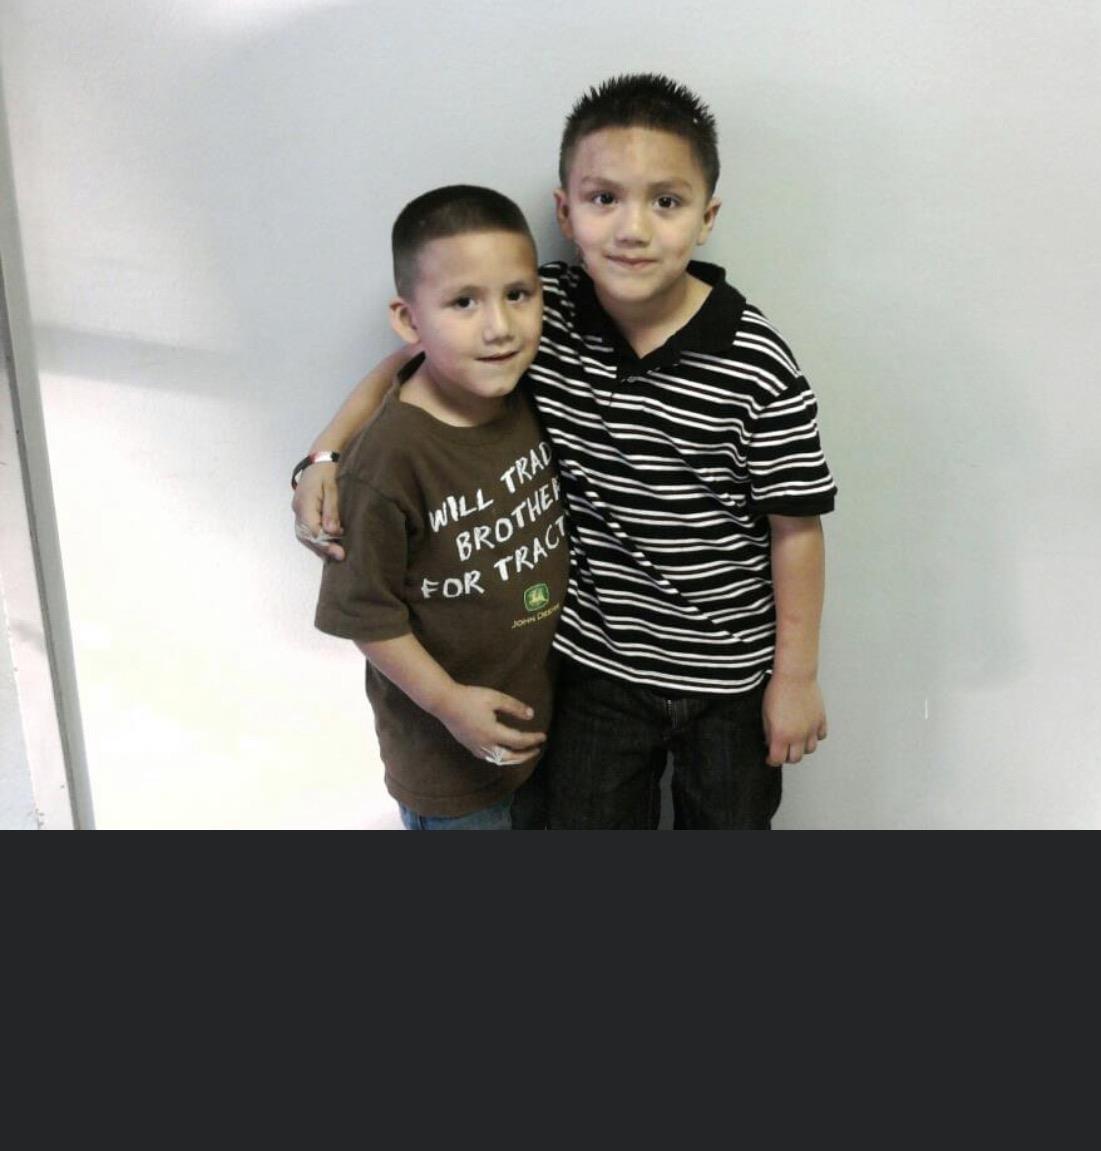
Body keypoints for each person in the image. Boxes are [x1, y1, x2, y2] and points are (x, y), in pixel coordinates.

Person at [296, 78, 835, 828]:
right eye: (604, 198)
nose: (633, 229)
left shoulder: (757, 363)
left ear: (707, 217)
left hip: (729, 676)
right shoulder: (533, 310)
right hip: (593, 670)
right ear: (565, 212)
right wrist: (324, 456)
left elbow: (796, 527)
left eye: (666, 202)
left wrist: (796, 677)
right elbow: (417, 358)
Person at [309, 185, 568, 829]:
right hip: (445, 758)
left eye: (518, 295)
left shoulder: (525, 387)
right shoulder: (389, 460)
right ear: (409, 319)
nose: (500, 327)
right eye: (463, 302)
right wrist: (448, 702)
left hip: (540, 728)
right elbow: (366, 614)